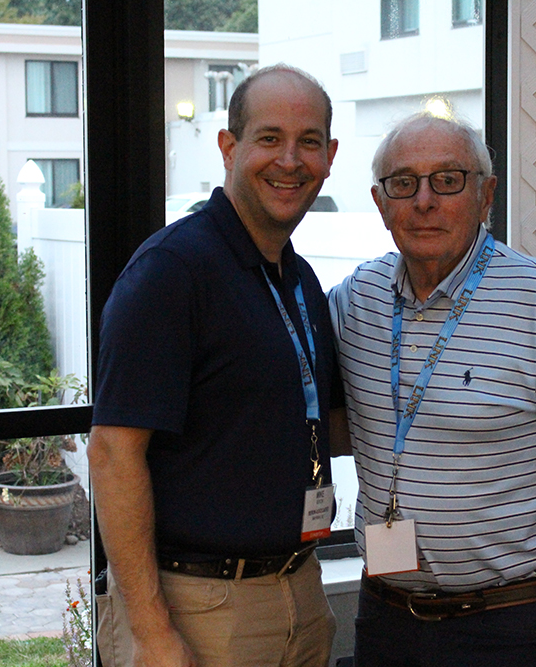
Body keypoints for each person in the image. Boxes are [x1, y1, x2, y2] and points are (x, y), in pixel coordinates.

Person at [328, 112, 536, 667]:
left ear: (486, 196)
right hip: (388, 619)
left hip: (513, 626)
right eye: (403, 183)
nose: (424, 201)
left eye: (447, 180)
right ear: (380, 203)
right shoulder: (355, 300)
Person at [89, 65, 340, 667]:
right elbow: (113, 454)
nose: (290, 160)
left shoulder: (299, 278)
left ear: (330, 157)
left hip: (300, 592)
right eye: (269, 138)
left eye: (308, 142)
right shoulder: (171, 271)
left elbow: (317, 423)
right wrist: (151, 633)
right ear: (229, 147)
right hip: (197, 607)